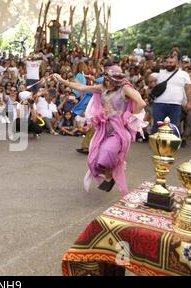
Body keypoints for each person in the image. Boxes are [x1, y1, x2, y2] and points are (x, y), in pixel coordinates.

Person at [52, 65, 147, 195]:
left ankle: (110, 176)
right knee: (94, 158)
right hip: (104, 127)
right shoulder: (102, 88)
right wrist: (63, 81)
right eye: (108, 79)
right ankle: (109, 177)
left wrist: (128, 118)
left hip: (118, 129)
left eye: (113, 80)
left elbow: (142, 103)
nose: (110, 82)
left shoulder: (125, 89)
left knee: (107, 151)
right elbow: (82, 88)